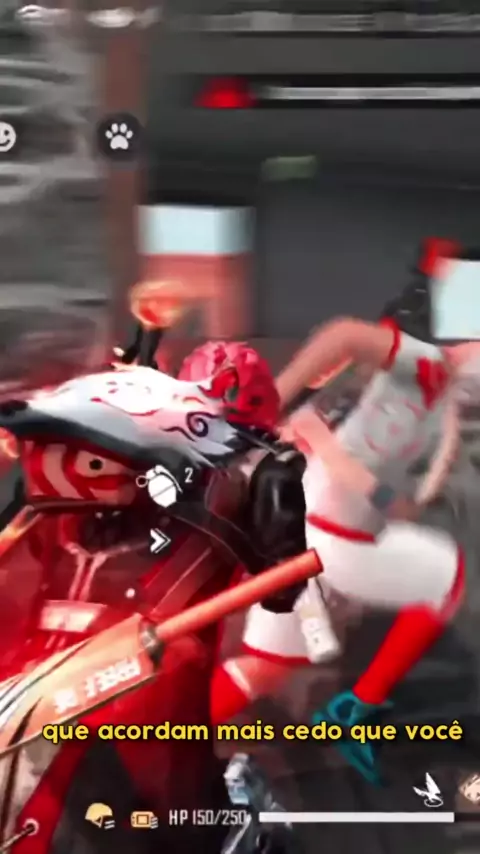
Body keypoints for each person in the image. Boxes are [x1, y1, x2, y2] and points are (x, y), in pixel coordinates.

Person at [212, 284, 471, 783]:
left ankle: (164, 736)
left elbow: (420, 478)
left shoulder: (423, 397)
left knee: (266, 667)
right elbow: (343, 341)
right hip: (324, 538)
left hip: (301, 540)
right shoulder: (411, 368)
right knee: (446, 577)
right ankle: (355, 712)